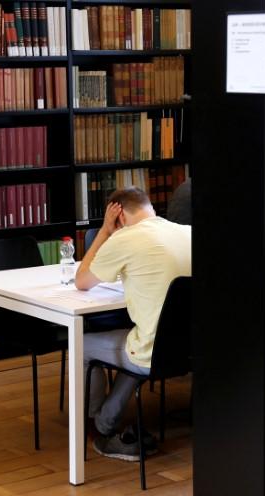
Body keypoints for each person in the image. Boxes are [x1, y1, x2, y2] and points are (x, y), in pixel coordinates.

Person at [75, 187, 192, 461]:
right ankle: (107, 419)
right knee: (138, 338)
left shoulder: (125, 237)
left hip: (151, 352)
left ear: (118, 215)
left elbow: (82, 281)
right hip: (189, 350)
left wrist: (105, 231)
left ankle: (97, 425)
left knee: (81, 343)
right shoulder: (187, 232)